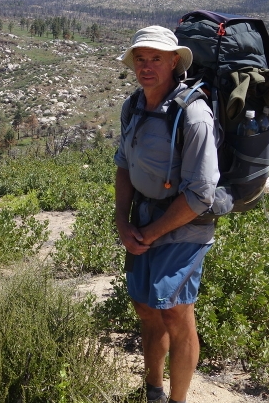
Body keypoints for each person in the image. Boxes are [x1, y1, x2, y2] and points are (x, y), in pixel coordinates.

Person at [114, 26, 219, 403]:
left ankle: (178, 400)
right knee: (146, 308)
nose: (146, 66)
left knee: (175, 311)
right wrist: (123, 222)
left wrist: (152, 232)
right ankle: (153, 390)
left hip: (185, 225)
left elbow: (201, 194)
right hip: (143, 221)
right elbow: (124, 165)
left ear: (175, 61)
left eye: (156, 58)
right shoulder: (134, 106)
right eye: (140, 59)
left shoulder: (193, 114)